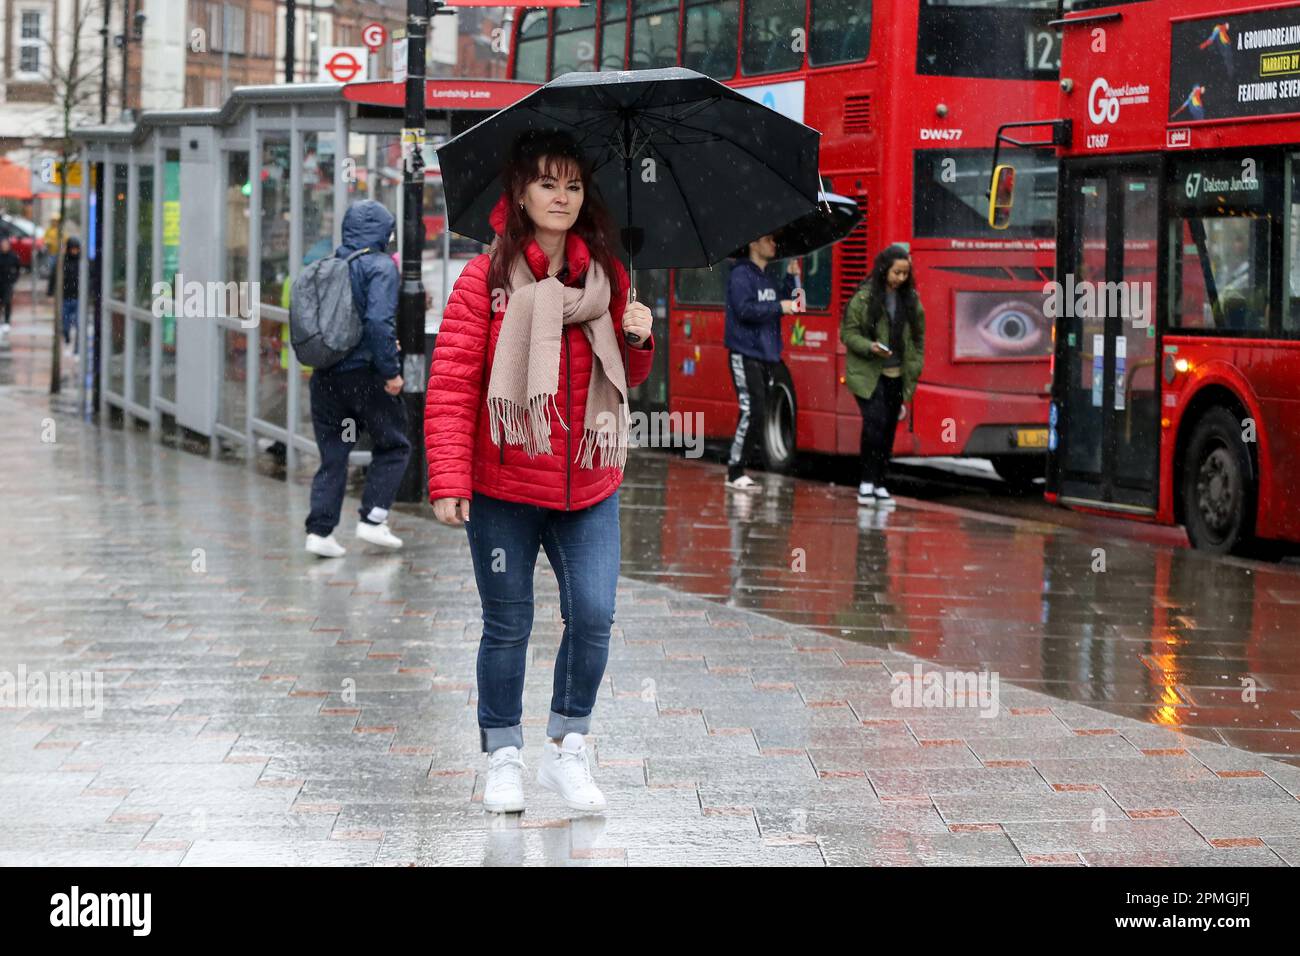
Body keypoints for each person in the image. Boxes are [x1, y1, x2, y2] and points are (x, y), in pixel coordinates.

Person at [426, 129, 655, 814]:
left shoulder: (607, 279)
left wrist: (640, 335)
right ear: (520, 195)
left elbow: (627, 375)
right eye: (548, 183)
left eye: (573, 185)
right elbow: (454, 383)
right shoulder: (486, 280)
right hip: (504, 485)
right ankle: (503, 755)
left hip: (588, 479)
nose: (562, 196)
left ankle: (567, 747)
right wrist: (448, 479)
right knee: (508, 623)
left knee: (594, 614)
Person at [303, 199, 411, 558]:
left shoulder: (327, 266)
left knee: (333, 455)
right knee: (394, 444)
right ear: (383, 232)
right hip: (365, 375)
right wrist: (391, 372)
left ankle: (319, 531)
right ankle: (373, 519)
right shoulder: (380, 266)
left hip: (325, 376)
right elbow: (379, 322)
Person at [840, 244, 925, 507]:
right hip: (868, 373)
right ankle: (866, 481)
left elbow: (918, 337)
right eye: (896, 272)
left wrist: (915, 365)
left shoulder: (910, 299)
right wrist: (870, 346)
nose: (900, 278)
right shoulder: (864, 298)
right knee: (874, 423)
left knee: (888, 428)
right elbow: (848, 334)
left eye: (905, 273)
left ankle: (880, 483)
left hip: (897, 374)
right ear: (884, 270)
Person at [723, 233, 799, 491]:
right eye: (768, 239)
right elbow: (744, 310)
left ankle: (738, 468)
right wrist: (779, 307)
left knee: (760, 411)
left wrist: (792, 277)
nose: (774, 244)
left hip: (767, 355)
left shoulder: (768, 277)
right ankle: (735, 470)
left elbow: (791, 304)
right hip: (745, 353)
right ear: (753, 243)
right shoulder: (741, 274)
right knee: (751, 410)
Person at [47, 237, 80, 351]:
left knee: (79, 324)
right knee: (65, 324)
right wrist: (50, 292)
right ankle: (67, 338)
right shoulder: (61, 262)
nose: (75, 251)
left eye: (76, 249)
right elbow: (53, 276)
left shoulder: (81, 262)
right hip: (65, 297)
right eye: (73, 249)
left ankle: (77, 350)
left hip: (78, 297)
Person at [0, 237, 19, 346]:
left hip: (8, 283)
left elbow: (17, 268)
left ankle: (7, 322)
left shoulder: (13, 256)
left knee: (7, 302)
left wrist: (14, 278)